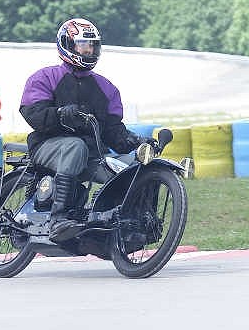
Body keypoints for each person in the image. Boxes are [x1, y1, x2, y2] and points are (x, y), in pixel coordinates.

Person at [20, 18, 152, 242]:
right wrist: (60, 113)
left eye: (92, 46)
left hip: (92, 156)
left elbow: (113, 131)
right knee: (75, 146)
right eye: (83, 45)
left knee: (127, 171)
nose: (89, 50)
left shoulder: (106, 88)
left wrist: (136, 141)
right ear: (67, 45)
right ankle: (58, 220)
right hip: (46, 145)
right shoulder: (45, 77)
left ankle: (122, 230)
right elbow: (32, 113)